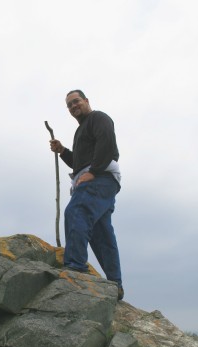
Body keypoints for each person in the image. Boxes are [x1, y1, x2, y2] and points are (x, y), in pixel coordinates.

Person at [50, 89, 124, 301]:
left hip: (99, 179)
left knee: (76, 212)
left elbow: (106, 144)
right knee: (102, 235)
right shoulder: (80, 132)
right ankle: (115, 285)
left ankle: (75, 269)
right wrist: (63, 150)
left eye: (76, 102)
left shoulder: (98, 118)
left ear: (86, 101)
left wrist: (94, 172)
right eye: (69, 105)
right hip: (97, 180)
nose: (74, 107)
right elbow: (79, 162)